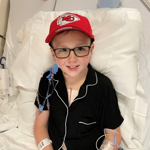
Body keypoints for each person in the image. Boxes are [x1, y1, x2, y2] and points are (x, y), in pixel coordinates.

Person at [34, 12, 124, 150]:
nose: (72, 59)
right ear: (53, 53)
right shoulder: (48, 81)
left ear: (91, 50)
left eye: (80, 48)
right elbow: (40, 125)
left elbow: (114, 134)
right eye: (63, 50)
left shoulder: (103, 87)